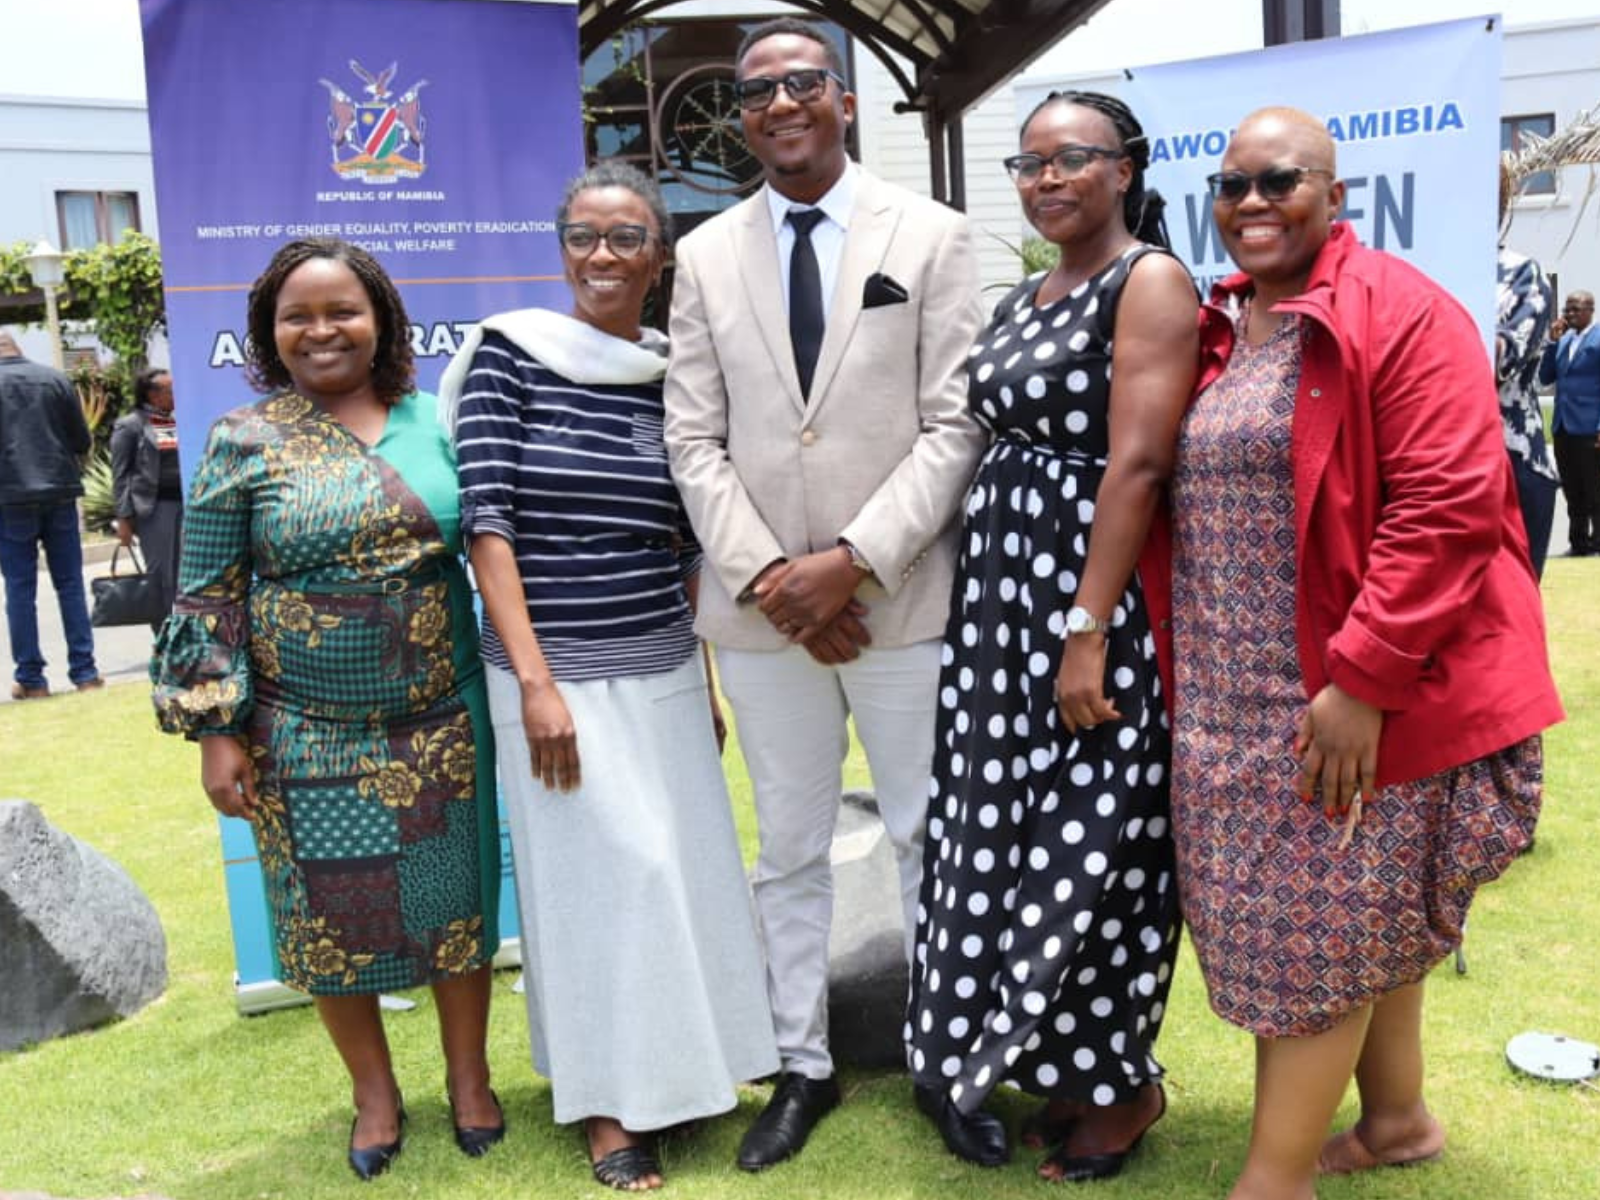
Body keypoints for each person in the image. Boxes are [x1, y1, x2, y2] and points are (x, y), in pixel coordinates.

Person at [1171, 108, 1561, 1200]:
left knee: (1319, 930)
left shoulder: (1399, 310)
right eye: (1232, 182)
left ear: (1334, 195)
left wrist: (1362, 680)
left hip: (1346, 689)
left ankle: (1273, 1179)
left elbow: (1447, 504)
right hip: (1229, 689)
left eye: (1279, 179)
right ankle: (1394, 1121)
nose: (1252, 201)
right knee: (1350, 918)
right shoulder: (1222, 324)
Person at [663, 17, 985, 1172]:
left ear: (844, 99)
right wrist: (770, 579)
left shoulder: (935, 236)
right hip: (760, 619)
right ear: (739, 116)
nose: (781, 103)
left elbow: (956, 422)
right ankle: (801, 1065)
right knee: (787, 849)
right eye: (757, 91)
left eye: (804, 82)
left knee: (925, 838)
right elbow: (691, 437)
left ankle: (948, 1061)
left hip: (899, 599)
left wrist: (851, 558)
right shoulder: (701, 255)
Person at [444, 161, 778, 1193]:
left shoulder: (673, 372)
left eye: (625, 237)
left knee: (682, 873)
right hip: (556, 675)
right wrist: (536, 684)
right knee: (602, 881)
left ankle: (696, 1072)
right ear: (561, 249)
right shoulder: (509, 358)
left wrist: (709, 679)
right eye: (584, 235)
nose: (602, 255)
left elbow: (688, 542)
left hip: (665, 662)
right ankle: (607, 1107)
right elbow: (487, 526)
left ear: (658, 257)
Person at [150, 239, 504, 1181]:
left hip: (439, 718)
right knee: (328, 918)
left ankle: (470, 1081)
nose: (321, 331)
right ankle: (375, 1096)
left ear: (381, 316)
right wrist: (217, 733)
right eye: (295, 316)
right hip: (301, 729)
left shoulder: (439, 422)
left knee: (455, 903)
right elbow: (207, 594)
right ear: (269, 334)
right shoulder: (243, 440)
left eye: (341, 310)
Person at [904, 91, 1198, 1180]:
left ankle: (1125, 1088)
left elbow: (1136, 465)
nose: (1048, 178)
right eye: (1029, 165)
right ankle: (1066, 1072)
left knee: (1100, 850)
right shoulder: (1030, 290)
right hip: (1000, 607)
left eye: (1073, 158)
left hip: (1085, 599)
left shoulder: (1147, 280)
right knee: (1016, 840)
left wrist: (1085, 632)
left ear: (1125, 169)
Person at [0, 328, 102, 699]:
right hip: (59, 491)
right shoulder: (54, 379)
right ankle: (85, 673)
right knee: (70, 584)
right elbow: (81, 440)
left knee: (19, 588)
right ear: (18, 349)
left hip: (9, 498)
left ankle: (31, 678)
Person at [1495, 162, 1559, 576]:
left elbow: (1497, 361)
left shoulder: (1521, 274)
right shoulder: (1409, 267)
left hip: (1510, 459)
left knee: (1504, 624)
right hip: (1420, 464)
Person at [110, 367, 184, 627]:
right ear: (152, 395)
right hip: (155, 510)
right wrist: (124, 519)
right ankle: (165, 640)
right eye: (170, 390)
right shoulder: (130, 426)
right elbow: (120, 475)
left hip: (186, 505)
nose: (177, 394)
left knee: (186, 578)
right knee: (162, 578)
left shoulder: (180, 419)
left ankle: (189, 638)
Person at [1540, 289, 1600, 557]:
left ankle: (1598, 543)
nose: (1570, 314)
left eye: (1576, 309)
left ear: (1590, 310)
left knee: (1595, 487)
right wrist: (1552, 343)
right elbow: (1545, 377)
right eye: (1567, 309)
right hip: (1563, 426)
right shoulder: (1562, 342)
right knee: (1572, 488)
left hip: (1590, 426)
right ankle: (1578, 543)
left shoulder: (1598, 340)